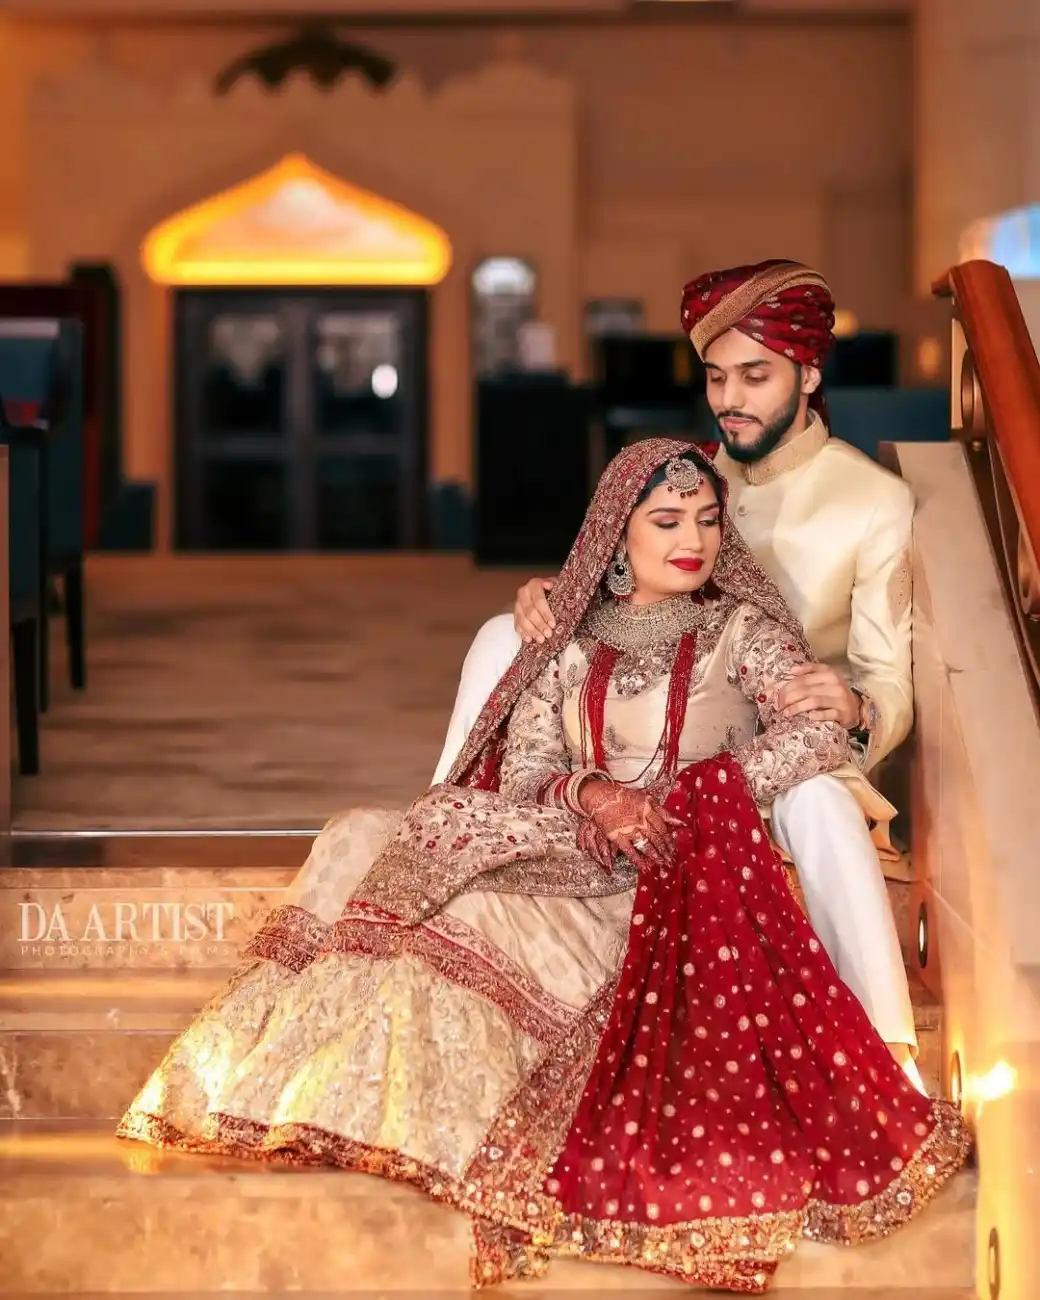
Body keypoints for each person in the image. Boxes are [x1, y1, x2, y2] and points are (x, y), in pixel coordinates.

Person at [118, 440, 969, 1295]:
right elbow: (526, 769)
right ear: (617, 534)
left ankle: (414, 1105)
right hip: (572, 841)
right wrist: (596, 796)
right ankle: (301, 1081)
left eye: (709, 521)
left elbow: (816, 733)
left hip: (672, 869)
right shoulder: (570, 640)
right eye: (667, 521)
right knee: (361, 835)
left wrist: (697, 797)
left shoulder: (741, 631)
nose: (694, 540)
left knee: (453, 905)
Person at [434, 259, 921, 1089]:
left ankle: (887, 1056)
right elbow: (617, 590)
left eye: (756, 377)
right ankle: (446, 833)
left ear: (809, 373)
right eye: (716, 377)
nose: (730, 398)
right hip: (648, 725)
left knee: (818, 798)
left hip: (786, 742)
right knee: (499, 634)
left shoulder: (871, 500)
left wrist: (859, 705)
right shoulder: (688, 474)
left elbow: (891, 681)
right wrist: (554, 596)